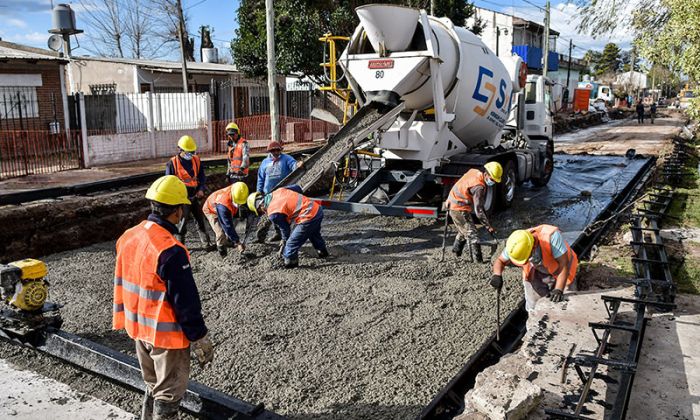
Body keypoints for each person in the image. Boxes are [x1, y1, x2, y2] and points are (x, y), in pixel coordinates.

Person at [113, 175, 214, 420]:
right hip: (165, 338)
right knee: (168, 393)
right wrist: (199, 336)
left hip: (138, 329)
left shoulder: (129, 236)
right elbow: (186, 302)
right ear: (178, 210)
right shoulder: (170, 251)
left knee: (153, 384)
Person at [489, 225, 578, 312]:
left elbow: (564, 265)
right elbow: (500, 261)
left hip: (562, 267)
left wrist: (558, 289)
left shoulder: (551, 237)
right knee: (534, 304)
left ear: (533, 247)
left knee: (566, 303)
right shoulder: (515, 244)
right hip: (537, 269)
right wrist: (497, 275)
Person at [247, 185, 328, 268]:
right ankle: (322, 252)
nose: (263, 213)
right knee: (313, 233)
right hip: (316, 209)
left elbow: (285, 229)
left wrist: (284, 241)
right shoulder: (278, 191)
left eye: (260, 212)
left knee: (290, 245)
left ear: (260, 206)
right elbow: (298, 188)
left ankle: (291, 264)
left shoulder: (273, 213)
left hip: (308, 216)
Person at [445, 162, 502, 261]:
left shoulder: (475, 172)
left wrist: (487, 222)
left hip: (452, 201)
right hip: (458, 207)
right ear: (486, 174)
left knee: (464, 230)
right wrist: (488, 226)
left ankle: (456, 252)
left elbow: (480, 205)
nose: (492, 182)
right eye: (492, 179)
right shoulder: (478, 187)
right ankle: (478, 261)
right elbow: (478, 210)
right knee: (472, 233)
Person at [164, 135, 213, 250]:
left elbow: (202, 176)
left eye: (193, 152)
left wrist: (201, 189)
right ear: (180, 150)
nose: (191, 154)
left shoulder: (196, 160)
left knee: (200, 220)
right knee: (182, 224)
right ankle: (180, 247)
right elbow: (168, 183)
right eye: (188, 152)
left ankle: (207, 244)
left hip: (195, 196)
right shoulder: (172, 163)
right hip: (181, 199)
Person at [255, 141, 303, 243]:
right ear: (269, 151)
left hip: (283, 194)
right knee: (272, 214)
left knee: (282, 214)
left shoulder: (286, 159)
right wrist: (259, 192)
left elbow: (293, 165)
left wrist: (298, 165)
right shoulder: (265, 163)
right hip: (269, 194)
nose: (276, 152)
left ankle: (285, 235)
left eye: (278, 150)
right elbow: (260, 178)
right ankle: (278, 233)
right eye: (273, 151)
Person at [202, 182, 256, 258]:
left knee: (231, 226)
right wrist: (238, 242)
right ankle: (223, 254)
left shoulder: (240, 190)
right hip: (211, 210)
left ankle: (229, 241)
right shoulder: (223, 205)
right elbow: (226, 224)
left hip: (225, 206)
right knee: (220, 233)